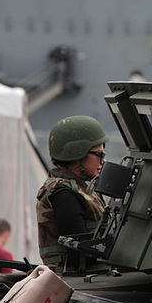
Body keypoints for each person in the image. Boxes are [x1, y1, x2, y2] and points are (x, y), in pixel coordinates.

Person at [36, 115, 107, 273]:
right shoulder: (64, 194)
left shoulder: (79, 189)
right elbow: (79, 254)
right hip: (73, 278)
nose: (103, 160)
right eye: (99, 154)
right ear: (77, 154)